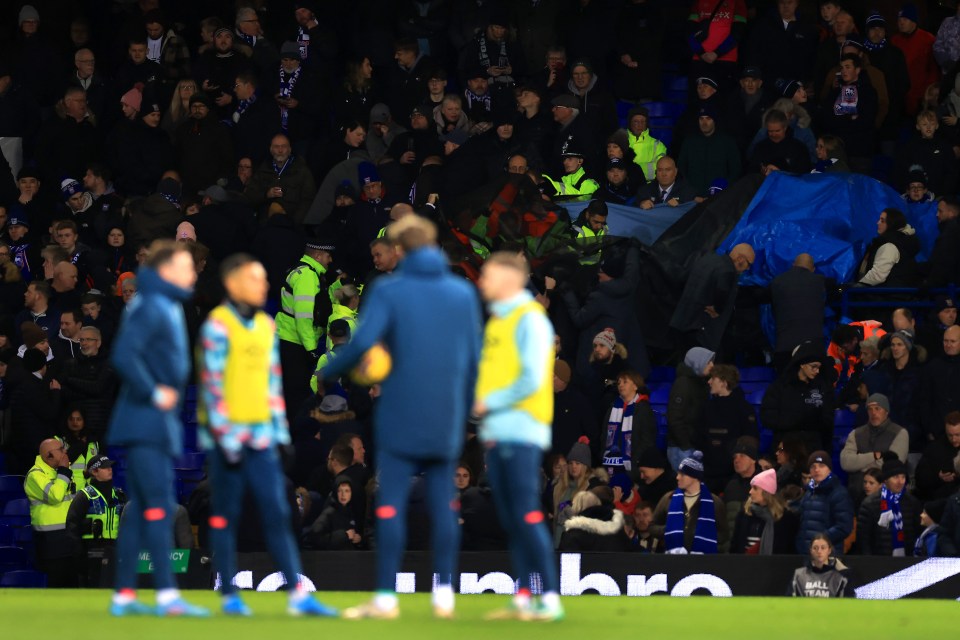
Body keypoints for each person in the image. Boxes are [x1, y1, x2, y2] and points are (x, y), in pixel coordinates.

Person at [319, 216, 481, 620]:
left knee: (389, 503)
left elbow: (363, 346)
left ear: (400, 251)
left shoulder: (389, 290)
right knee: (445, 502)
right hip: (445, 415)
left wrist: (329, 368)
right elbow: (475, 358)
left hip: (400, 414)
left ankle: (387, 597)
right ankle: (444, 595)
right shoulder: (461, 292)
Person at [197, 254, 336, 616]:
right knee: (226, 517)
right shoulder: (218, 326)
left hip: (261, 440)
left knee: (277, 512)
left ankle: (298, 594)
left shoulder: (264, 326)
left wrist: (281, 433)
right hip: (229, 439)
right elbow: (211, 386)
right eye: (256, 280)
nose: (265, 286)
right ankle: (228, 595)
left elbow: (271, 386)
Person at [106, 240, 207, 616]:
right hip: (145, 418)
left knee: (148, 507)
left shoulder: (161, 304)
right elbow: (123, 355)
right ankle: (162, 595)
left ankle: (127, 595)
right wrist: (156, 392)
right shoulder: (149, 305)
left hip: (156, 421)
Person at [472, 252, 563, 622]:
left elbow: (530, 379)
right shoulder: (497, 323)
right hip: (496, 431)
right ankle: (524, 596)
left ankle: (551, 598)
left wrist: (488, 400)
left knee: (526, 514)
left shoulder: (532, 321)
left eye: (488, 276)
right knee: (510, 518)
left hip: (523, 428)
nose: (482, 283)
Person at [276, 239, 335, 416]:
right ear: (317, 255)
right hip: (295, 343)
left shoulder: (304, 272)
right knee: (297, 396)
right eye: (327, 255)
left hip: (290, 340)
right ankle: (297, 436)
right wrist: (311, 349)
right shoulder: (308, 276)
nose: (330, 260)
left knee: (292, 393)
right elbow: (304, 317)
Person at [669, 243, 755, 352]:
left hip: (682, 319)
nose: (748, 268)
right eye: (749, 264)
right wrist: (718, 309)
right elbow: (722, 290)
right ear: (740, 258)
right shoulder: (727, 270)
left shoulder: (708, 260)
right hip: (700, 328)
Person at [761, 342, 836, 455]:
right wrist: (796, 419)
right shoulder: (780, 387)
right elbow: (768, 417)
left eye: (819, 367)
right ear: (802, 364)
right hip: (786, 446)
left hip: (813, 447)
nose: (817, 371)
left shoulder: (823, 388)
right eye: (813, 366)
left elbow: (828, 419)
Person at [24, 438, 78, 587]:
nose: (65, 452)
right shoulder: (35, 475)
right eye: (61, 450)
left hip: (68, 538)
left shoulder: (60, 472)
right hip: (50, 543)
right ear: (49, 456)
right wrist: (64, 471)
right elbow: (55, 496)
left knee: (72, 587)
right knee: (56, 588)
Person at [65, 454, 125, 587]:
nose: (109, 469)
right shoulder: (84, 495)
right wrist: (79, 554)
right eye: (104, 467)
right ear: (94, 472)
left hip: (116, 549)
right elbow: (72, 525)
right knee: (93, 587)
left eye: (110, 466)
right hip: (92, 550)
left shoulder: (119, 495)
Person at [651, 451, 727, 554]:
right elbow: (652, 526)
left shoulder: (714, 502)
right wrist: (669, 529)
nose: (677, 477)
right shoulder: (669, 498)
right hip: (672, 560)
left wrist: (705, 535)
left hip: (703, 562)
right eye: (678, 473)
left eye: (682, 474)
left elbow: (724, 534)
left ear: (695, 477)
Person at [839, 394, 908, 500]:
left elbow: (893, 465)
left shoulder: (900, 433)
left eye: (877, 409)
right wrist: (875, 456)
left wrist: (859, 464)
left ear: (886, 411)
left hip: (886, 496)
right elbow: (846, 462)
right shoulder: (856, 433)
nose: (873, 413)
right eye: (870, 409)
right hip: (856, 495)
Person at [700, 365, 757, 487]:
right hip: (708, 471)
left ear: (723, 383)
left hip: (733, 473)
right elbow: (699, 437)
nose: (709, 382)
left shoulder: (744, 408)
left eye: (713, 379)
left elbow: (750, 438)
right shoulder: (706, 407)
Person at [770, 253, 826, 369]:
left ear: (793, 265)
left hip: (784, 345)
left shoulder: (777, 282)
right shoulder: (819, 281)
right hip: (812, 347)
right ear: (813, 269)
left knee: (784, 384)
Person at [857, 458, 921, 556]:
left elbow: (917, 534)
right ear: (886, 479)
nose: (900, 481)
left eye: (903, 477)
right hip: (879, 563)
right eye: (895, 477)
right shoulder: (869, 504)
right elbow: (864, 540)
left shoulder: (912, 503)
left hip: (907, 561)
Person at [796, 451, 855, 554]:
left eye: (821, 466)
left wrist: (820, 542)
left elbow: (844, 527)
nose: (817, 469)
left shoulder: (839, 493)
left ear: (829, 469)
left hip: (828, 554)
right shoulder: (808, 492)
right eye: (813, 466)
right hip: (806, 553)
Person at [730, 468, 799, 554]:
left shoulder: (785, 518)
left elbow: (790, 550)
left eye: (755, 488)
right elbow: (735, 546)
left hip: (774, 566)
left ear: (766, 492)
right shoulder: (744, 514)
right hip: (744, 565)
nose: (750, 492)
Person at [667, 346, 714, 471]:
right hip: (682, 449)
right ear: (698, 362)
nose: (712, 365)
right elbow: (674, 417)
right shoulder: (683, 384)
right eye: (708, 362)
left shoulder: (700, 383)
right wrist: (685, 445)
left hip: (692, 446)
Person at [856, 208, 920, 287]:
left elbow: (877, 276)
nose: (878, 222)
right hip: (897, 295)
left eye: (882, 220)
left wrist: (858, 286)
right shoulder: (897, 242)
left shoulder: (890, 246)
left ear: (891, 223)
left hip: (887, 296)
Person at [919, 325, 960, 444]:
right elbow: (925, 399)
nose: (948, 344)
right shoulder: (933, 366)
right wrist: (928, 429)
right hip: (937, 432)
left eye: (953, 341)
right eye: (946, 341)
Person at [915, 411, 960, 501]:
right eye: (950, 435)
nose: (954, 439)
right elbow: (920, 479)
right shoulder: (934, 449)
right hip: (940, 498)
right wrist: (938, 477)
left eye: (958, 435)